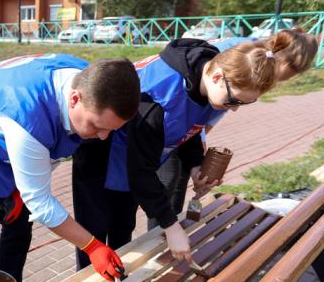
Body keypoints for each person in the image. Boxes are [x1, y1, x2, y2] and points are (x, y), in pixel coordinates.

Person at [72, 35, 294, 269]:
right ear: (217, 77)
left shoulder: (208, 81)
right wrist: (171, 225)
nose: (235, 109)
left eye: (244, 103)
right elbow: (141, 172)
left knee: (123, 226)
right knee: (94, 235)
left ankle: (117, 280)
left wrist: (195, 164)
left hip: (135, 160)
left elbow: (189, 127)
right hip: (100, 155)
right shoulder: (158, 98)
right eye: (234, 101)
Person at [0, 54, 140, 282]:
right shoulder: (31, 117)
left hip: (17, 123)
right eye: (96, 126)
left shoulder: (94, 82)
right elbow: (40, 202)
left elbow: (49, 151)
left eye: (111, 130)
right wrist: (92, 247)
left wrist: (22, 190)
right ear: (74, 99)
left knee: (20, 222)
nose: (103, 137)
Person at [147, 29, 318, 230]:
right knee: (167, 178)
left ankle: (168, 229)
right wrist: (197, 135)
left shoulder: (254, 65)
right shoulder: (240, 57)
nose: (235, 108)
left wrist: (197, 153)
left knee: (182, 172)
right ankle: (163, 230)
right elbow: (207, 100)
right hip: (168, 123)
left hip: (186, 125)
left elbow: (219, 106)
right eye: (278, 77)